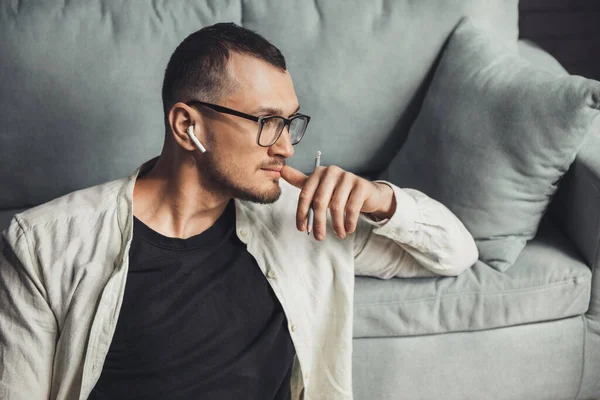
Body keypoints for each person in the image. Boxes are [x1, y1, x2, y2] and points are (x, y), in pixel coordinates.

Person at [0, 22, 478, 400]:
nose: (287, 147)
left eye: (290, 123)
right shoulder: (45, 243)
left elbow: (455, 253)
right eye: (268, 123)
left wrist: (379, 199)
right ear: (188, 126)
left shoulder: (306, 218)